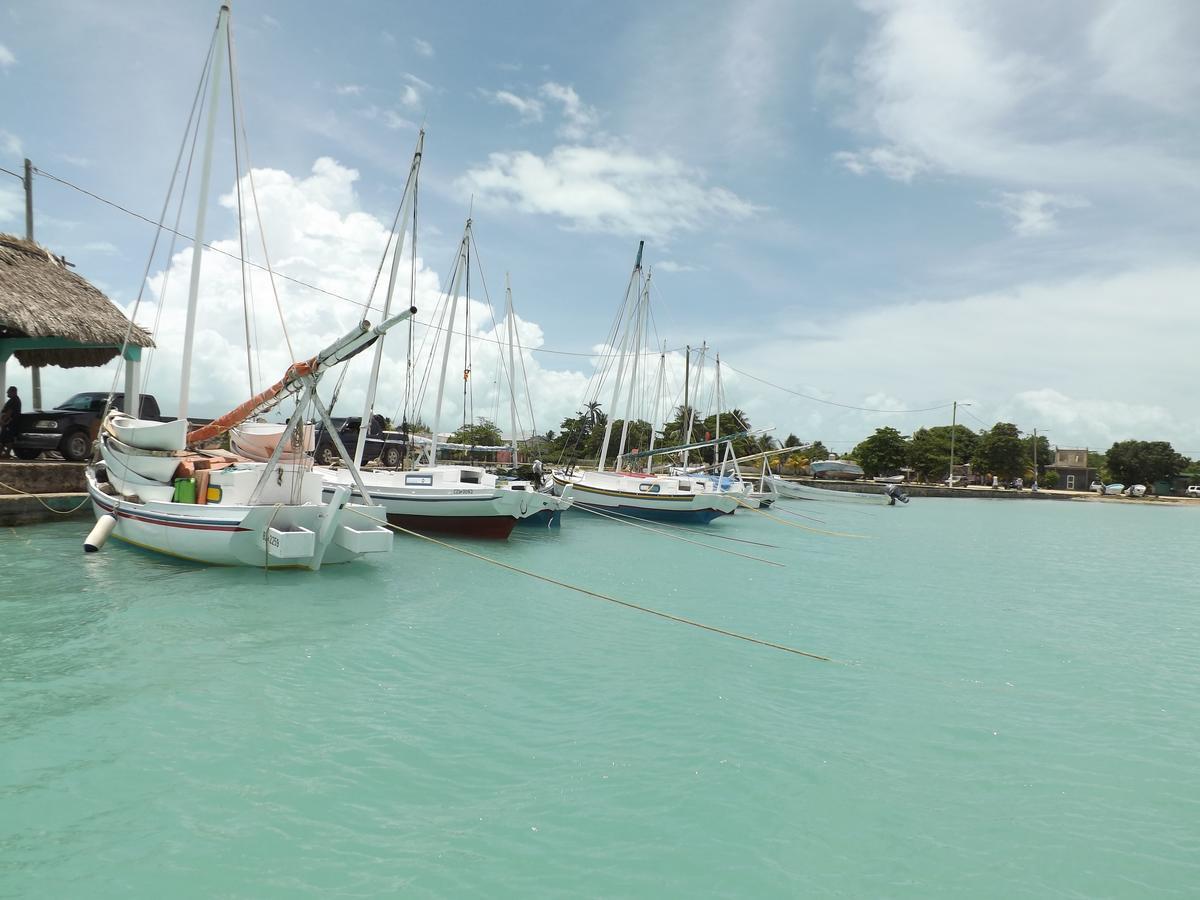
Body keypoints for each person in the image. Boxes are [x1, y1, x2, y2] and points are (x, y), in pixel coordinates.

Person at [0, 386, 20, 458]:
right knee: (3, 439)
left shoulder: (14, 400)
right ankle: (4, 454)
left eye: (8, 391)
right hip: (7, 423)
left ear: (13, 392)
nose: (7, 393)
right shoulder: (14, 399)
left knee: (8, 439)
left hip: (9, 423)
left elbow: (9, 411)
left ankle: (7, 454)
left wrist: (3, 420)